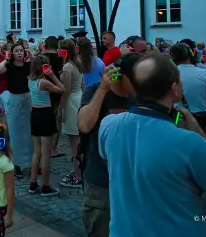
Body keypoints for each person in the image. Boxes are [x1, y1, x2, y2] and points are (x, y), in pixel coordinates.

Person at [99, 53, 206, 237]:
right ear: (175, 89)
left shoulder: (108, 125)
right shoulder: (190, 143)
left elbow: (113, 167)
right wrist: (200, 135)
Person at [77, 53, 139, 237]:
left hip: (132, 182)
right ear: (121, 76)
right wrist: (103, 89)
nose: (140, 84)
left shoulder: (140, 96)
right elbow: (84, 125)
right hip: (101, 183)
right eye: (136, 79)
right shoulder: (95, 91)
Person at [170, 43, 206, 149]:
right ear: (191, 54)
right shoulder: (204, 73)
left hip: (180, 118)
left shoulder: (170, 75)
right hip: (204, 117)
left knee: (183, 150)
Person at [27, 56, 64, 196]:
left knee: (37, 151)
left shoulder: (30, 79)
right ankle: (45, 186)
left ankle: (33, 183)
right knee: (46, 153)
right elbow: (62, 89)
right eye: (46, 66)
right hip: (45, 113)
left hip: (35, 114)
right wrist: (52, 76)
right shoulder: (44, 82)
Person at [0, 42, 32, 179]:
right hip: (14, 98)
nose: (19, 53)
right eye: (16, 51)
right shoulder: (9, 66)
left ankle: (30, 162)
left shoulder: (28, 66)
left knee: (28, 132)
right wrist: (6, 58)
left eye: (21, 51)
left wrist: (31, 53)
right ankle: (16, 164)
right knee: (15, 132)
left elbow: (37, 65)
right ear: (12, 53)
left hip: (27, 98)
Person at [59, 39, 84, 188]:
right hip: (78, 98)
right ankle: (78, 170)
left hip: (71, 102)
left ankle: (78, 175)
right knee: (79, 139)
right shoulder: (77, 63)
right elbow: (82, 85)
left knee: (74, 142)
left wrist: (60, 109)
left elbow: (66, 90)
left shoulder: (68, 67)